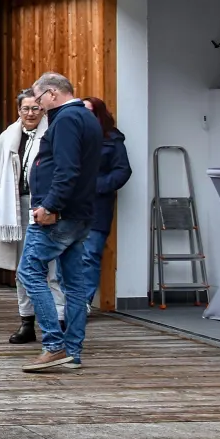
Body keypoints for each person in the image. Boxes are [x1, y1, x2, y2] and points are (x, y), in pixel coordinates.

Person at [20, 72, 103, 373]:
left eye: (39, 99)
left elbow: (67, 170)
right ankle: (73, 351)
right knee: (74, 282)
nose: (38, 106)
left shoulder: (67, 119)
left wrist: (50, 205)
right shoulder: (86, 117)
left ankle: (54, 345)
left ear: (53, 93)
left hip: (59, 214)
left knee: (29, 271)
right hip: (79, 213)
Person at [0, 90, 66, 344]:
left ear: (43, 110)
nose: (30, 114)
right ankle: (26, 321)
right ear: (18, 110)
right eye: (25, 109)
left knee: (51, 269)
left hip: (47, 207)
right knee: (24, 268)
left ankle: (59, 321)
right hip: (17, 207)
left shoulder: (53, 133)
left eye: (35, 108)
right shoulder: (8, 136)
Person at [82, 96, 132, 314]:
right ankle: (65, 302)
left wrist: (98, 186)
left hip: (97, 206)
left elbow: (123, 170)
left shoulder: (112, 139)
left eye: (88, 112)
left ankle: (83, 303)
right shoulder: (71, 135)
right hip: (70, 204)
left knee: (89, 254)